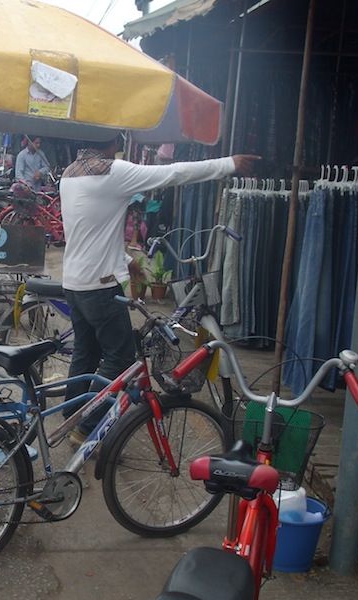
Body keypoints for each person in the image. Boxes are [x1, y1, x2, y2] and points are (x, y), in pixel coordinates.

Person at [60, 135, 260, 440]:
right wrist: (229, 163)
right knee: (121, 359)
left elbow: (90, 230)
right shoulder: (112, 172)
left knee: (85, 354)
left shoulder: (70, 173)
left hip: (74, 283)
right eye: (119, 140)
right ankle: (87, 427)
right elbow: (174, 173)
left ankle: (71, 416)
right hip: (99, 287)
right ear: (111, 142)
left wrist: (129, 263)